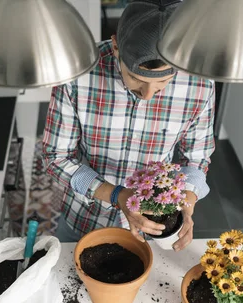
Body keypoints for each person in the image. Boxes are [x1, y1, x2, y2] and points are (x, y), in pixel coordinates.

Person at [43, 0, 215, 251]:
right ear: (115, 47)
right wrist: (118, 196)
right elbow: (56, 156)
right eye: (135, 78)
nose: (147, 95)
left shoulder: (200, 84)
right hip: (83, 216)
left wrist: (187, 203)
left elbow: (196, 158)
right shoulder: (78, 73)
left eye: (163, 83)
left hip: (154, 226)